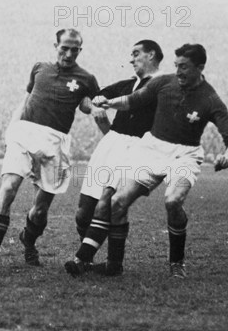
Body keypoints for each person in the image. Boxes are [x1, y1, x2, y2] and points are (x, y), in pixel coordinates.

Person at [65, 43, 228, 279]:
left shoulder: (210, 99)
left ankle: (176, 263)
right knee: (116, 201)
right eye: (176, 66)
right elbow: (132, 100)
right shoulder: (163, 82)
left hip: (184, 155)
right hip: (153, 150)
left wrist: (227, 157)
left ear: (200, 68)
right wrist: (108, 103)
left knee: (173, 200)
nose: (178, 72)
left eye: (184, 67)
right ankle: (104, 264)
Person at [0, 28, 106, 275]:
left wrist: (93, 109)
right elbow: (26, 100)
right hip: (24, 133)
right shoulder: (39, 68)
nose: (69, 54)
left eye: (74, 49)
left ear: (80, 50)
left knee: (40, 210)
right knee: (8, 188)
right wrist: (12, 128)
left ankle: (28, 239)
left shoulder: (86, 79)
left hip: (55, 142)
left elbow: (91, 105)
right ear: (55, 46)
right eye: (64, 48)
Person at [70, 40, 163, 276]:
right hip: (111, 144)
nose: (131, 59)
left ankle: (86, 259)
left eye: (135, 54)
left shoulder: (162, 87)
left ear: (151, 55)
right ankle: (106, 262)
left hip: (137, 148)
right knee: (84, 211)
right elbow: (89, 99)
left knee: (108, 202)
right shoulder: (127, 84)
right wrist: (95, 106)